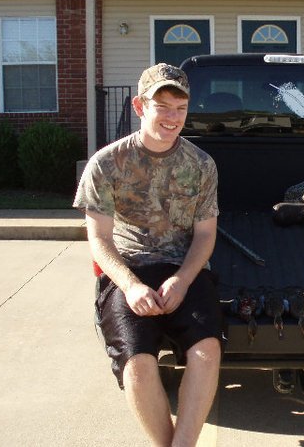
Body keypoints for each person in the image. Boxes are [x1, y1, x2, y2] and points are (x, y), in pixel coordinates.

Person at [74, 63, 225, 447]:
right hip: (129, 272)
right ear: (140, 107)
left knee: (207, 351)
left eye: (181, 107)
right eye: (163, 106)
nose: (173, 117)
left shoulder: (201, 165)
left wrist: (183, 278)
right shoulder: (106, 164)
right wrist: (128, 285)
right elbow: (99, 238)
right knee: (138, 365)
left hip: (184, 270)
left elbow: (206, 234)